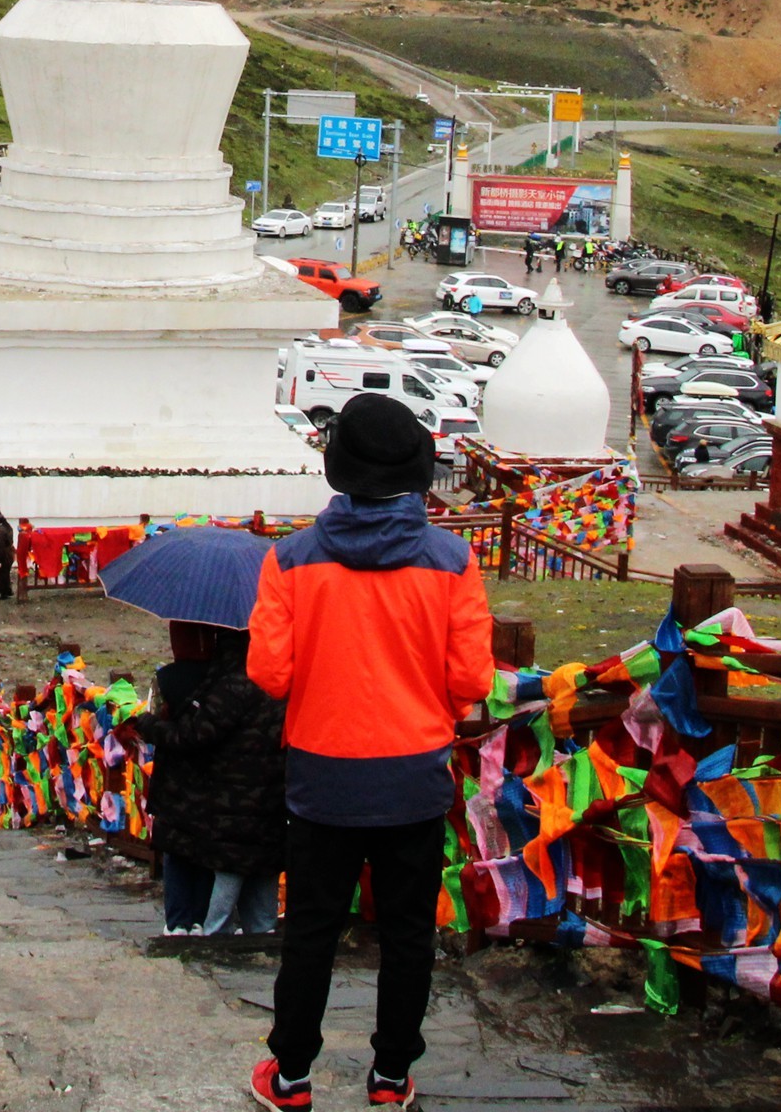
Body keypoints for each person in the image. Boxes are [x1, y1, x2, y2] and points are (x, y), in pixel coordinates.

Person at [245, 393, 497, 1112]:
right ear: (416, 473)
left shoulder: (290, 561)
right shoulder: (452, 562)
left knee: (313, 931)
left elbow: (270, 674)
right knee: (409, 933)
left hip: (322, 777)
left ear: (338, 471)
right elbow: (472, 680)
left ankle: (290, 1075)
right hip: (414, 776)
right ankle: (390, 1077)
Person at [132, 622, 285, 936]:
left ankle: (213, 940)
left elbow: (195, 734)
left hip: (234, 804)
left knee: (227, 885)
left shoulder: (231, 685)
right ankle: (261, 934)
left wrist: (148, 726)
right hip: (271, 798)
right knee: (261, 881)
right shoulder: (279, 679)